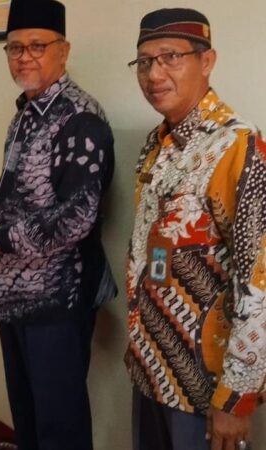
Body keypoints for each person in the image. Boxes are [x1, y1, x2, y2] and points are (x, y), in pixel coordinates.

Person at [0, 1, 116, 448]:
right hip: (14, 295)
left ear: (63, 51)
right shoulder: (27, 111)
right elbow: (38, 197)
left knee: (59, 429)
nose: (25, 57)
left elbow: (75, 219)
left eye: (37, 46)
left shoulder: (79, 119)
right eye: (15, 48)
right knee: (29, 420)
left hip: (57, 301)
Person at [125, 8, 266, 450]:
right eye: (144, 61)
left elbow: (259, 278)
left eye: (171, 57)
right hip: (150, 369)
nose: (154, 74)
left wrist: (237, 398)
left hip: (205, 389)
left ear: (207, 61)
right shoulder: (156, 144)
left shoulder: (238, 146)